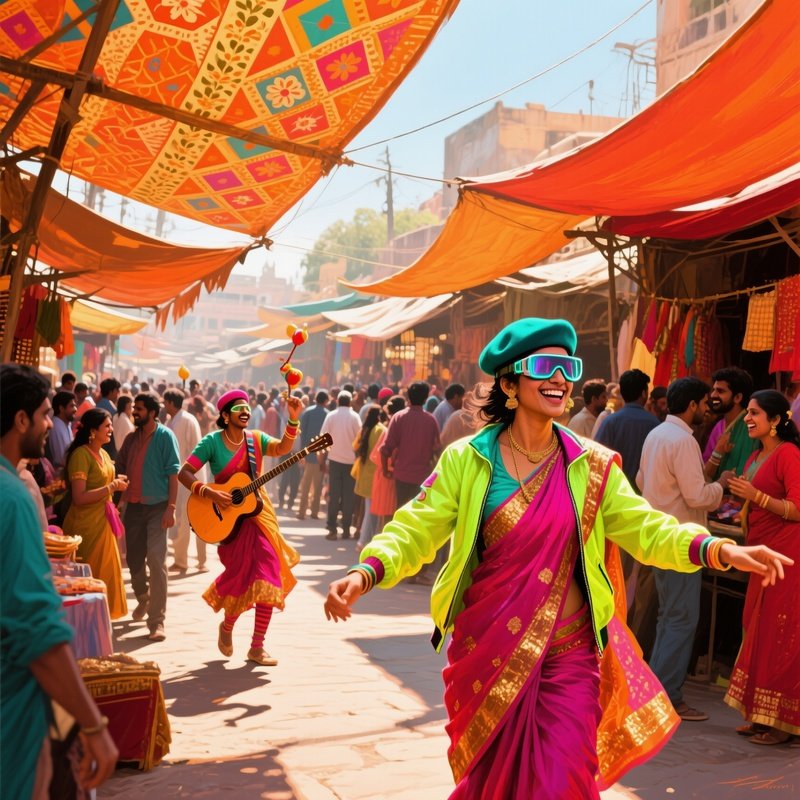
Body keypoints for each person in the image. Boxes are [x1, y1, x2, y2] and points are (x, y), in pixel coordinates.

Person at [323, 318, 791, 798]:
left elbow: (647, 528)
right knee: (494, 786)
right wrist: (366, 571)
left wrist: (720, 548)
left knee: (561, 781)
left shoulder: (591, 464)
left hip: (571, 656)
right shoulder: (467, 460)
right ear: (510, 382)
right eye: (546, 366)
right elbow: (415, 528)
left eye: (568, 367)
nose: (561, 378)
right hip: (487, 649)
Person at [1, 364, 118, 798]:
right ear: (20, 420)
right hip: (11, 709)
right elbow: (37, 631)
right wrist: (93, 723)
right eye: (46, 414)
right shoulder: (12, 497)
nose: (52, 425)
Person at [177, 389, 302, 666]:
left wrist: (293, 420)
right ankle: (228, 625)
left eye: (247, 407)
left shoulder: (255, 439)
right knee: (242, 578)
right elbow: (184, 473)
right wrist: (208, 493)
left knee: (269, 577)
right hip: (229, 523)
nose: (245, 412)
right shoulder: (211, 442)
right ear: (224, 415)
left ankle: (257, 647)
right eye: (238, 409)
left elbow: (282, 449)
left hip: (259, 516)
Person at [637, 377, 734, 721]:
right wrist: (720, 486)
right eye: (705, 403)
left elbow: (640, 480)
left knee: (669, 618)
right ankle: (668, 698)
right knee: (680, 620)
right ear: (692, 405)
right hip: (682, 541)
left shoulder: (657, 435)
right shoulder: (682, 440)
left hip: (661, 537)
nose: (708, 408)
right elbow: (697, 496)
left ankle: (659, 693)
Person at [725, 390, 800, 745]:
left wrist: (757, 498)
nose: (747, 419)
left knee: (779, 633)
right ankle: (760, 714)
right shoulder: (757, 455)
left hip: (786, 555)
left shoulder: (789, 454)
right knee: (754, 627)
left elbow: (798, 508)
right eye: (748, 413)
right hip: (760, 551)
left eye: (754, 413)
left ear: (776, 420)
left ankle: (783, 724)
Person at [116, 392, 180, 641]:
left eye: (140, 409)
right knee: (133, 559)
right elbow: (120, 467)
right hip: (133, 507)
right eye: (135, 408)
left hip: (157, 508)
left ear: (153, 413)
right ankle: (144, 597)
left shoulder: (165, 437)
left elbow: (174, 474)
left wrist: (171, 508)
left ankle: (157, 622)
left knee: (156, 559)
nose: (135, 412)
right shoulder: (132, 439)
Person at [62, 408, 130, 619]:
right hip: (86, 526)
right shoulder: (81, 455)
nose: (111, 429)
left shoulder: (103, 453)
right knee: (90, 574)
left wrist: (117, 483)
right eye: (107, 426)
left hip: (104, 521)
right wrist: (111, 487)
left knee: (108, 573)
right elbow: (79, 497)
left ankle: (102, 620)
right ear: (93, 431)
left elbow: (103, 482)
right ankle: (88, 621)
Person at [595, 369, 660, 492]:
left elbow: (597, 461)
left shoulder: (610, 422)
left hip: (615, 495)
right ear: (644, 394)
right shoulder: (655, 424)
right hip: (646, 497)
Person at [164, 389, 206, 573]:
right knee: (182, 519)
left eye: (165, 402)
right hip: (179, 478)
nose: (164, 406)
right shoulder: (171, 421)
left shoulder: (187, 421)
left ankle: (199, 561)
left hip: (190, 477)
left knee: (194, 520)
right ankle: (182, 560)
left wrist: (190, 477)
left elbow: (196, 452)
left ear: (171, 403)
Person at [319, 390, 362, 541]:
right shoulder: (355, 417)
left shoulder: (331, 416)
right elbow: (360, 439)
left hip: (335, 461)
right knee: (349, 497)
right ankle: (345, 529)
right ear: (350, 402)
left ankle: (331, 528)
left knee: (334, 495)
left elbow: (323, 439)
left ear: (337, 401)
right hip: (351, 462)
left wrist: (322, 461)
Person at [703, 366, 758, 480]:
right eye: (713, 390)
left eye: (720, 391)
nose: (713, 395)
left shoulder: (751, 427)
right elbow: (704, 473)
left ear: (737, 397)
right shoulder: (718, 426)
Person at [354, 406, 386, 553]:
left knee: (370, 511)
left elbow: (355, 447)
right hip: (375, 476)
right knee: (372, 513)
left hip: (365, 474)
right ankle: (364, 542)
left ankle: (366, 541)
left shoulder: (366, 428)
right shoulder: (380, 430)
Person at [296, 390, 329, 521]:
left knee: (305, 485)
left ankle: (301, 512)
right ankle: (314, 512)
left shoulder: (307, 412)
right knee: (318, 485)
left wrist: (301, 453)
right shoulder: (327, 415)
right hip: (321, 456)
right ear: (326, 401)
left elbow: (301, 434)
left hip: (308, 454)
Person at [48, 390, 77, 475]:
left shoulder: (66, 423)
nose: (75, 409)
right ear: (61, 408)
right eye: (71, 406)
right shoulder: (56, 426)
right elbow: (62, 460)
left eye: (75, 405)